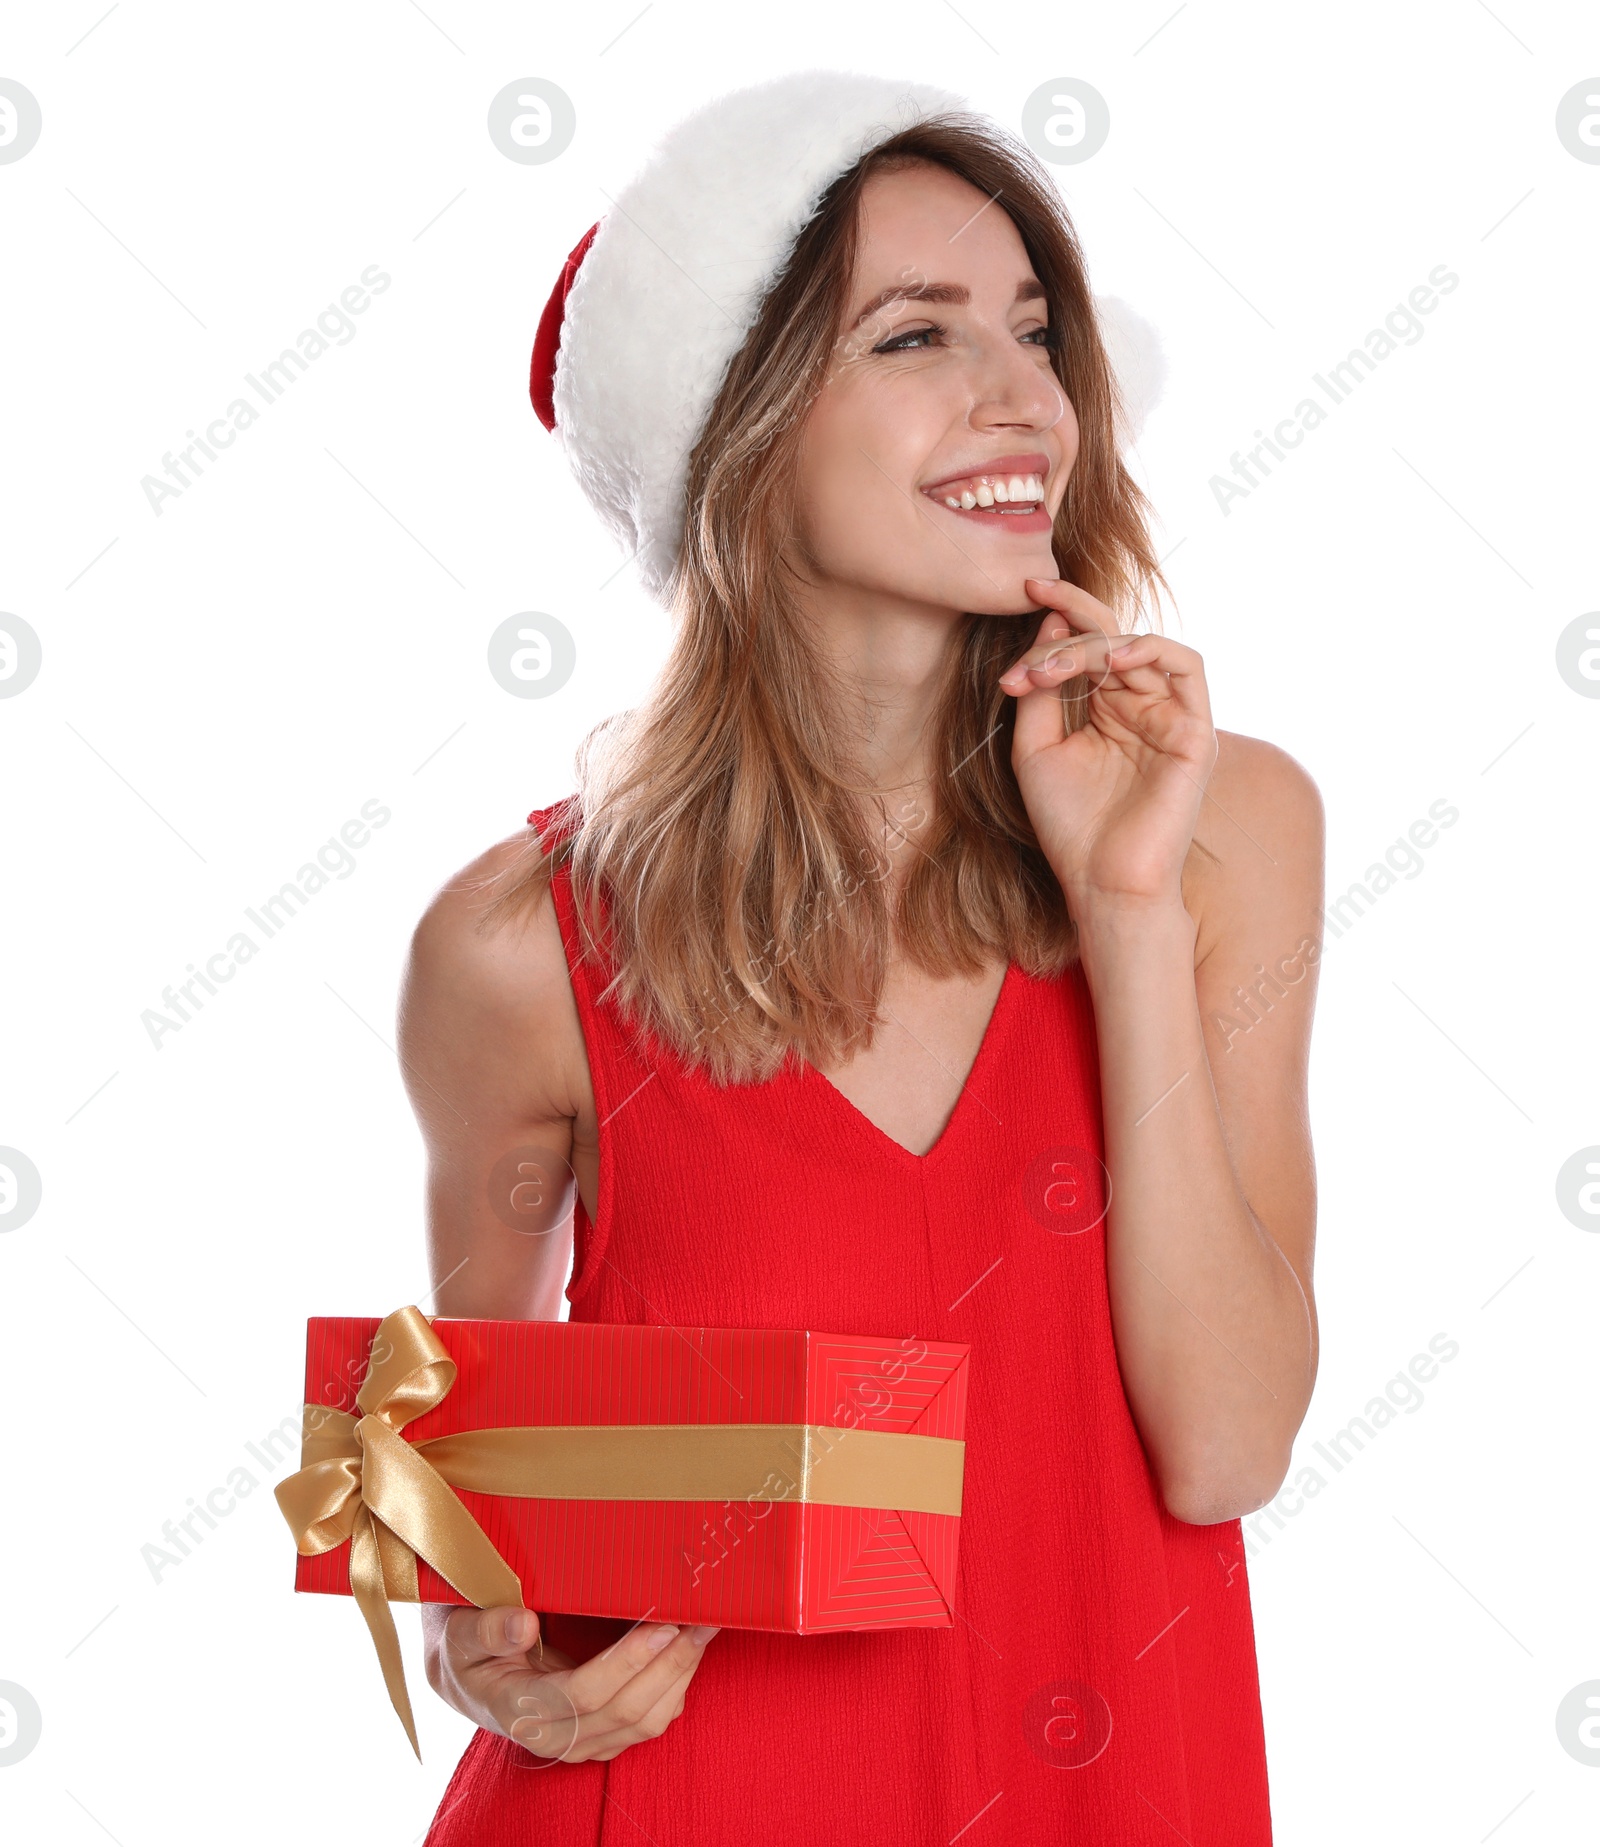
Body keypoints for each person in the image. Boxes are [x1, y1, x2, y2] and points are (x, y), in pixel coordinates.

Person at [402, 70, 1322, 1846]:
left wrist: (1122, 919)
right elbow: (455, 1451)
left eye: (1037, 330)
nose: (1020, 397)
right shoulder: (520, 946)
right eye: (915, 337)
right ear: (733, 433)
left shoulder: (1223, 836)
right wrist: (474, 1638)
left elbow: (1227, 1452)